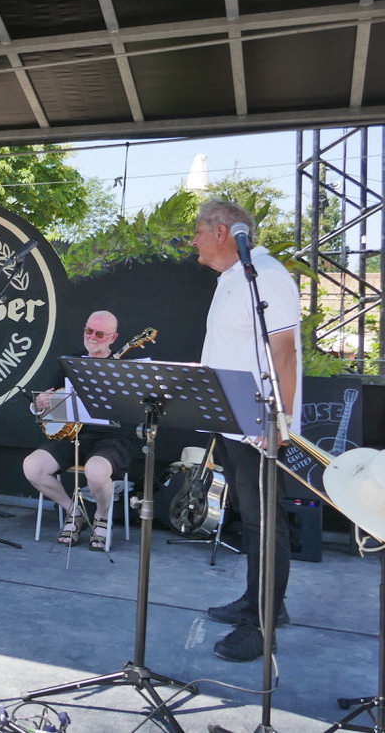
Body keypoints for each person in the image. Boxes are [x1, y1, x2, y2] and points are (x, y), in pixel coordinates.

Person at [192, 199, 301, 663]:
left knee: (264, 523)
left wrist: (278, 421)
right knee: (251, 518)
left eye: (197, 231)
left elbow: (286, 352)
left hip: (260, 423)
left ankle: (263, 622)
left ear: (222, 232)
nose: (192, 240)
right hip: (234, 422)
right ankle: (258, 600)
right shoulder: (229, 280)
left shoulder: (266, 274)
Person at [22, 310, 137, 551]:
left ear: (113, 338)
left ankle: (102, 517)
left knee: (96, 472)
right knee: (32, 467)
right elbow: (48, 405)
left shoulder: (125, 367)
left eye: (99, 333)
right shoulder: (69, 361)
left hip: (111, 439)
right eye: (88, 331)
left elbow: (135, 415)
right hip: (72, 435)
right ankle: (74, 511)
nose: (92, 337)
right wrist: (39, 404)